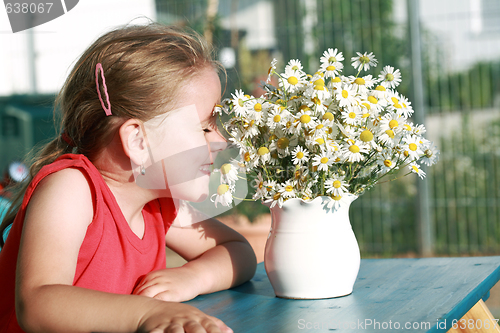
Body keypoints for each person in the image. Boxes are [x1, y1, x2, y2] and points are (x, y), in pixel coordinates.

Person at [0, 21, 257, 333]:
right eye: (204, 127)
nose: (221, 139)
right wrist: (147, 313)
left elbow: (238, 250)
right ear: (138, 141)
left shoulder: (157, 202)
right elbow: (38, 303)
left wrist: (193, 277)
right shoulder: (71, 189)